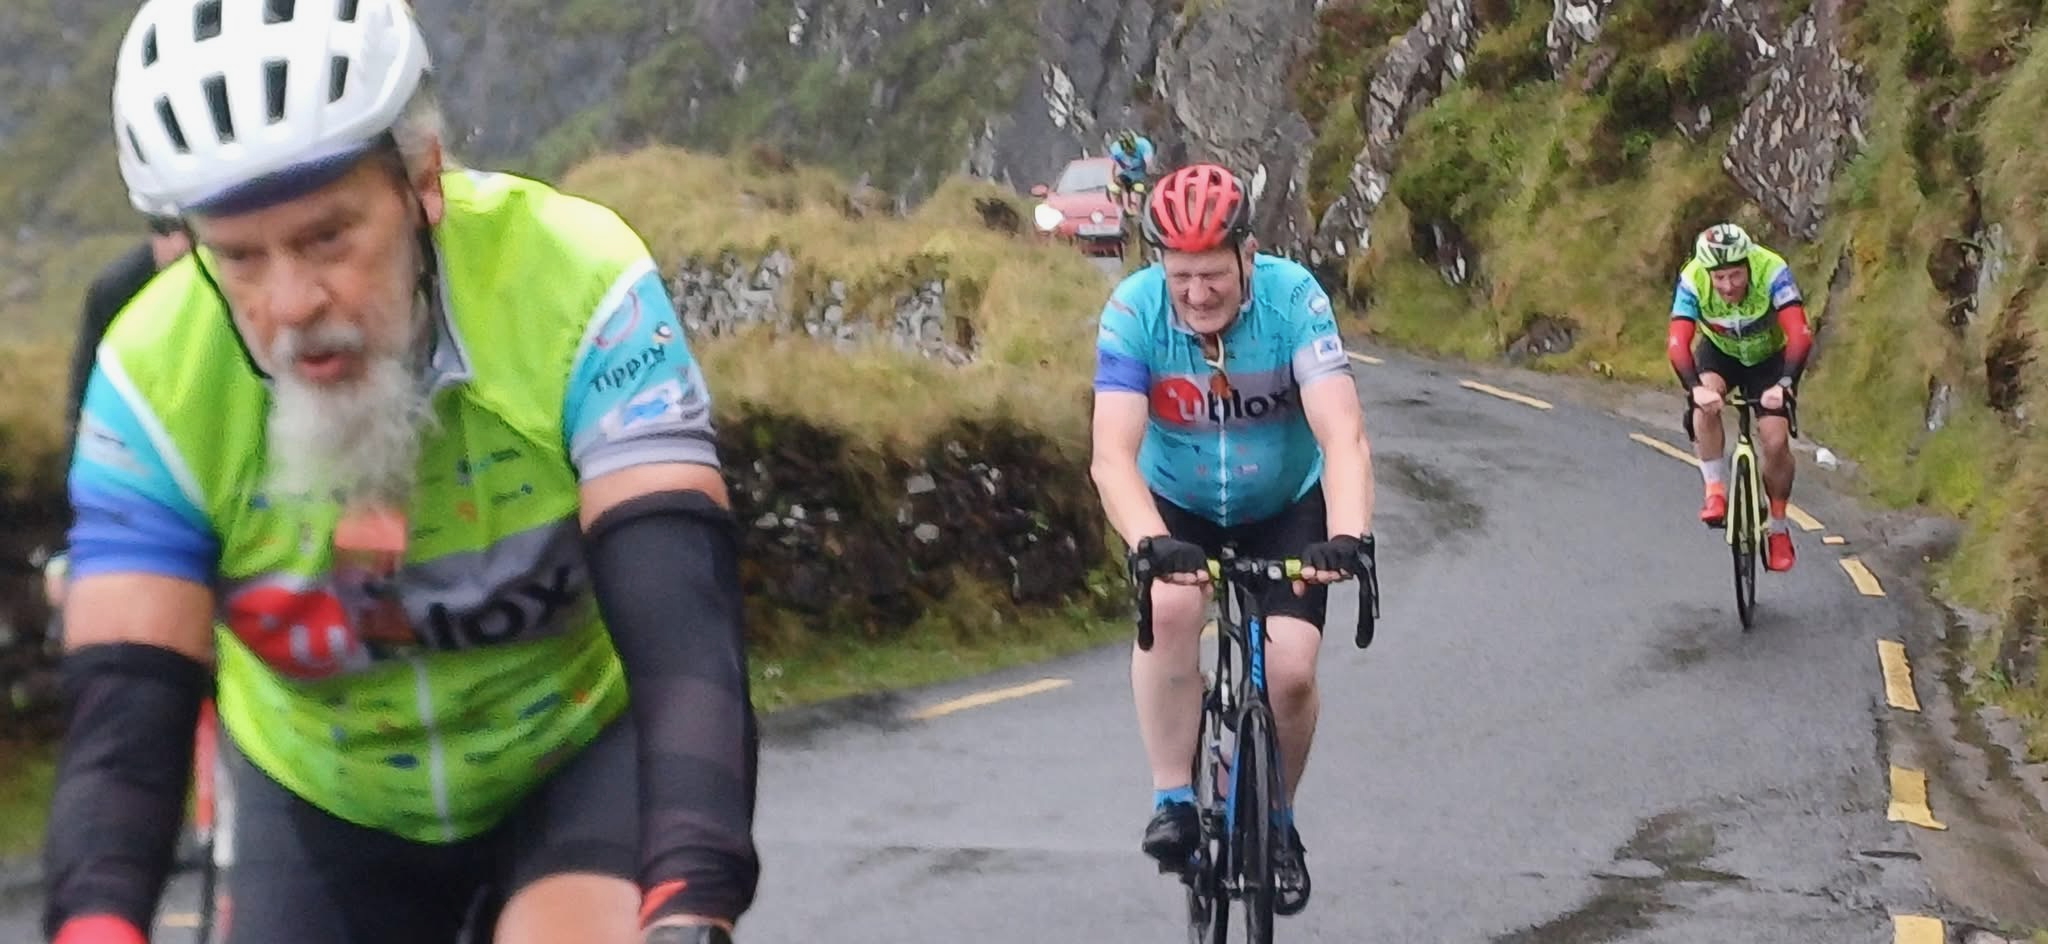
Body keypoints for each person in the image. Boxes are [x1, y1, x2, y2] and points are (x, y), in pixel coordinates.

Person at [42, 2, 759, 943]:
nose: (291, 302)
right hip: (324, 798)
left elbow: (685, 635)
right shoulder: (153, 377)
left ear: (423, 178)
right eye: (240, 257)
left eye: (329, 236)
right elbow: (123, 735)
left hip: (570, 761)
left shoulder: (575, 283)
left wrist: (691, 898)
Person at [1089, 163, 1375, 917]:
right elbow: (1112, 454)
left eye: (1213, 274)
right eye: (1180, 275)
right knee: (1174, 611)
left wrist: (1346, 536)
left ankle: (1278, 823)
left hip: (1283, 503)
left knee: (1289, 673)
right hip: (1178, 504)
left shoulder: (1294, 301)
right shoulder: (1132, 311)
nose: (1198, 293)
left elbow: (1341, 432)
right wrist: (1151, 541)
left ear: (1248, 256)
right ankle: (1173, 796)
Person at [1666, 222, 1814, 572]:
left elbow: (1800, 334)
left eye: (1735, 275)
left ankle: (1778, 529)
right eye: (1719, 278)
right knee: (1705, 405)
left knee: (1775, 443)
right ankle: (1714, 490)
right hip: (1721, 355)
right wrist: (1695, 388)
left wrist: (1785, 384)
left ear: (1748, 264)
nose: (1728, 286)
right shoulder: (1693, 278)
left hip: (1769, 359)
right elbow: (1677, 343)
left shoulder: (1772, 270)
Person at [1106, 129, 1155, 210]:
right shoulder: (1117, 150)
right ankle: (1127, 208)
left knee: (1139, 187)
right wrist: (1113, 178)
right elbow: (1113, 165)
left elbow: (1148, 163)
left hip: (1140, 172)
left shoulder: (1142, 145)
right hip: (1128, 173)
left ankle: (1140, 208)